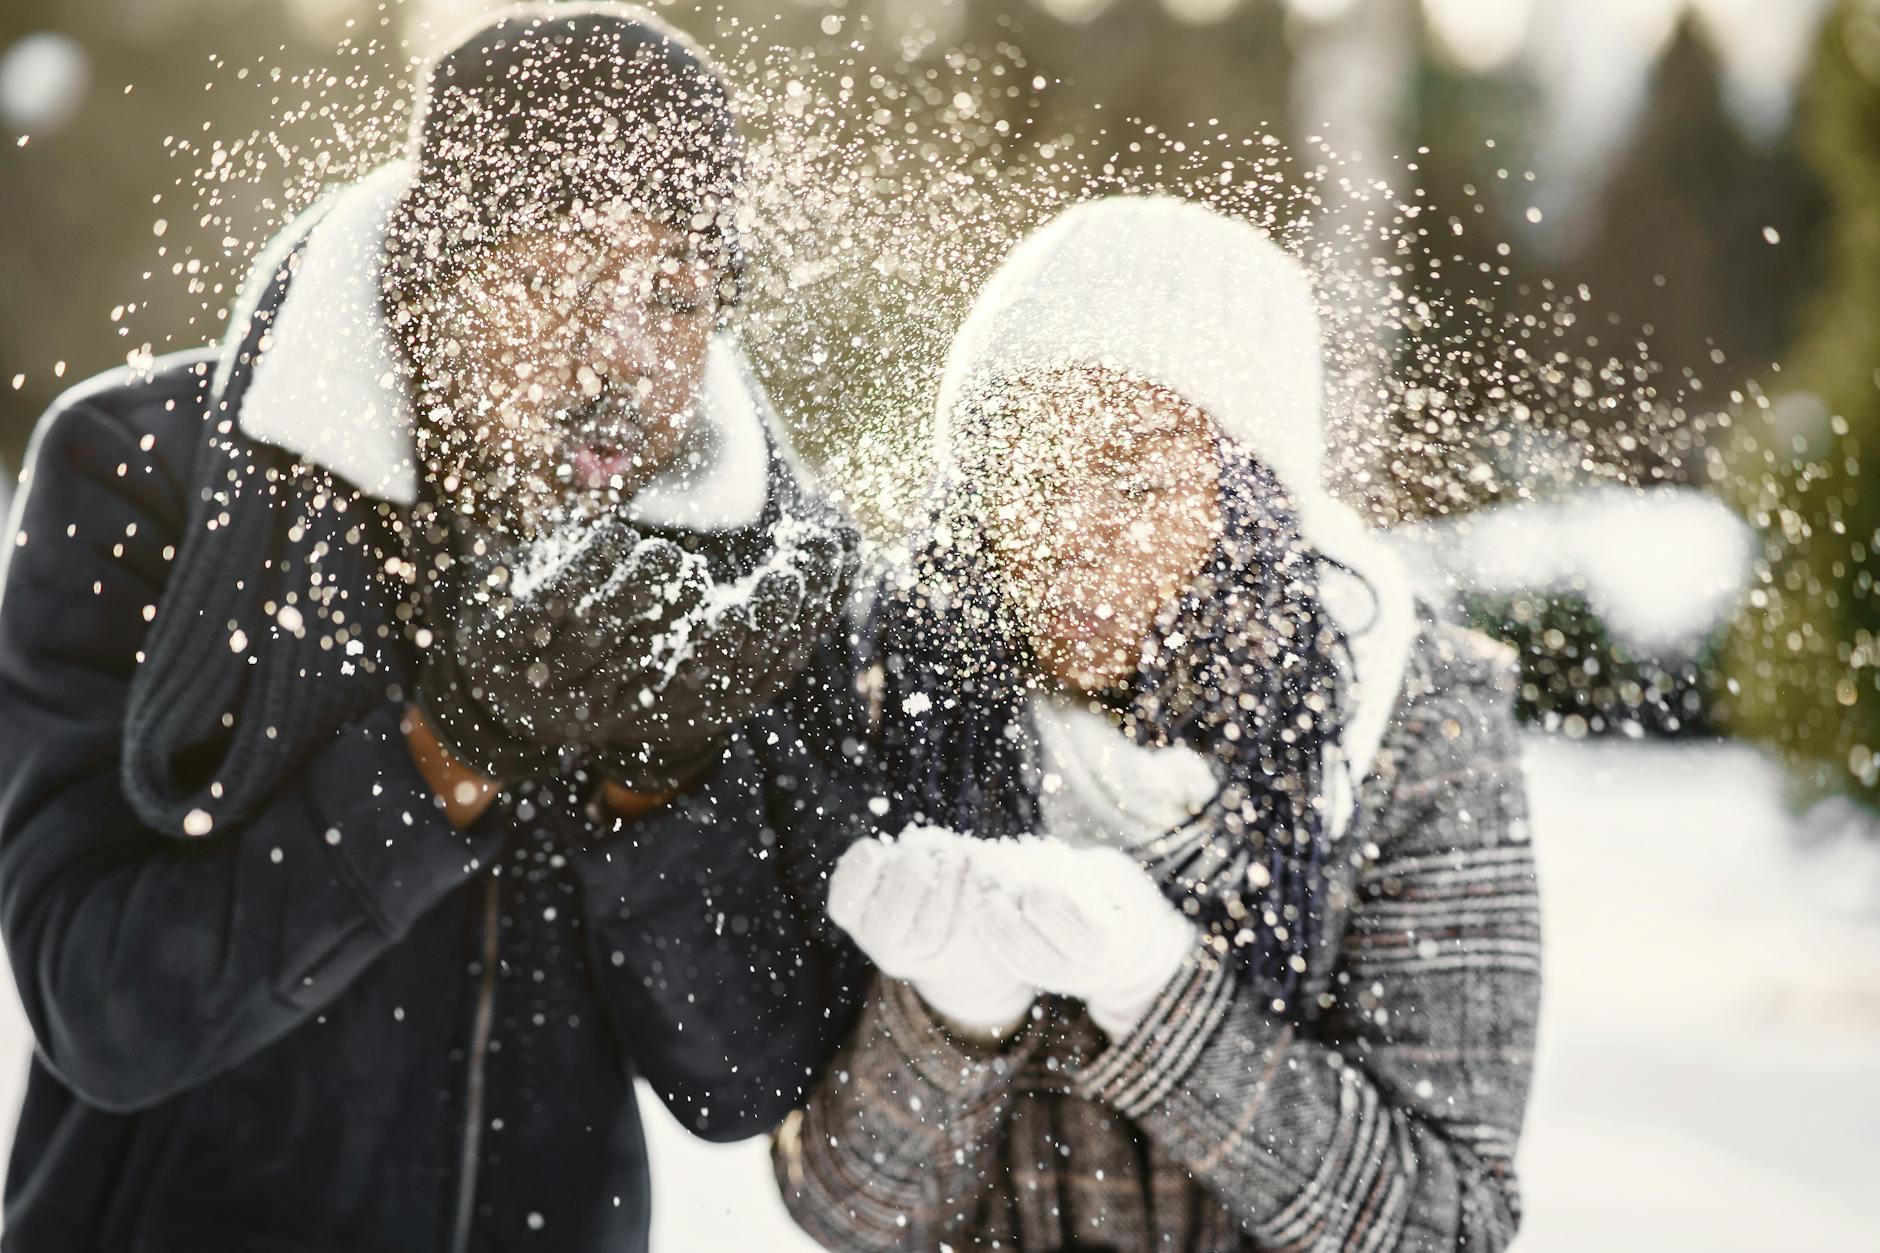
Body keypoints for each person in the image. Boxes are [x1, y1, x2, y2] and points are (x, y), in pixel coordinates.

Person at [0, 6, 874, 1251]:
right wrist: (445, 751)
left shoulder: (734, 570)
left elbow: (742, 1083)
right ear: (428, 274)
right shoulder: (149, 472)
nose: (615, 358)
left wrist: (658, 784)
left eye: (674, 294)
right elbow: (103, 1010)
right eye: (551, 275)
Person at [773, 197, 1542, 1251]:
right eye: (1025, 469)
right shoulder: (907, 691)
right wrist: (952, 1016)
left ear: (1254, 497)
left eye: (1132, 478)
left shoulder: (1408, 725)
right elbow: (838, 1209)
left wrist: (1158, 989)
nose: (1067, 536)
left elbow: (1447, 1223)